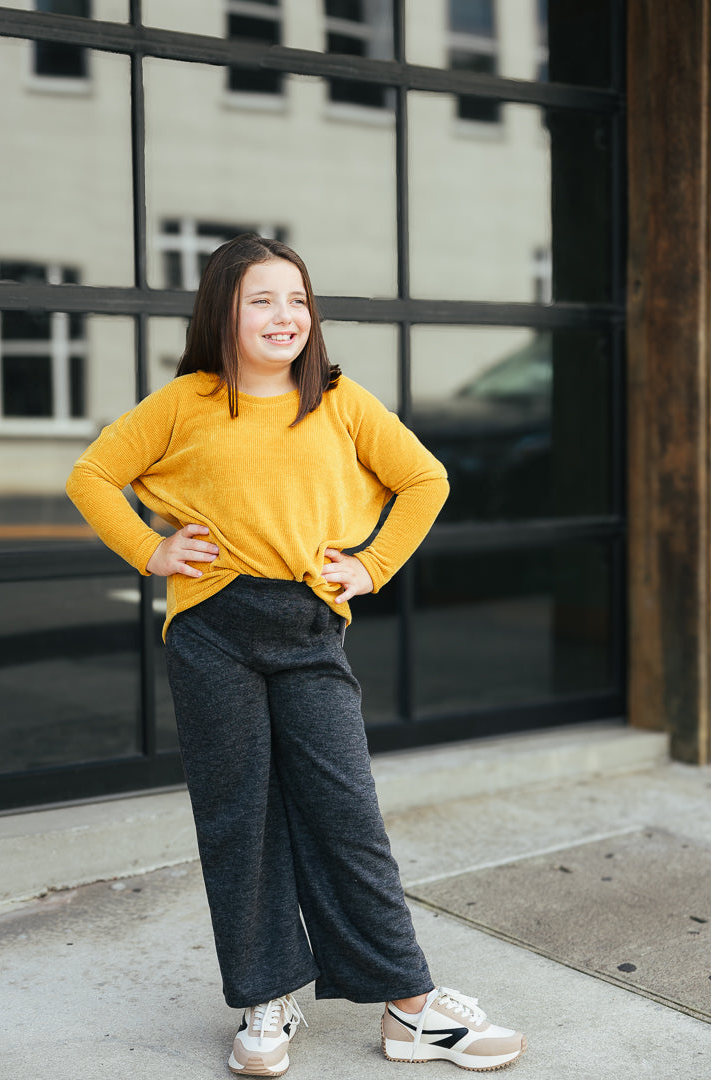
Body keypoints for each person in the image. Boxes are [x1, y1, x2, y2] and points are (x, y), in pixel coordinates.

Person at [66, 234, 527, 1076]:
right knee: (238, 819)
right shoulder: (184, 402)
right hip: (213, 635)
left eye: (298, 300)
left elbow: (427, 480)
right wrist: (151, 550)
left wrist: (371, 566)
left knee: (347, 815)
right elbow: (93, 475)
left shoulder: (340, 401)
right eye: (261, 301)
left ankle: (409, 1008)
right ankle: (265, 998)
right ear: (222, 312)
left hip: (310, 631)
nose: (286, 316)